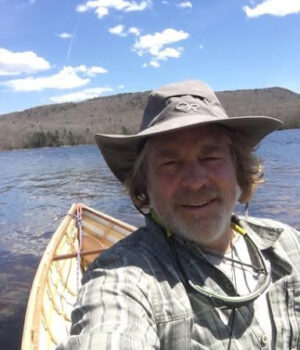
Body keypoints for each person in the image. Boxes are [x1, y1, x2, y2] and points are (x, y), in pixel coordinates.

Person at [58, 80, 300, 350]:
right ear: (144, 186)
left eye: (210, 158)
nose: (195, 181)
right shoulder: (122, 275)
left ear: (238, 170)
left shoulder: (289, 244)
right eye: (170, 163)